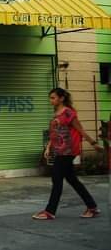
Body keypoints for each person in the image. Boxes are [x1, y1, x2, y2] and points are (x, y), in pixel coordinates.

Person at [32, 87, 103, 220]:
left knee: (57, 178)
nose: (50, 100)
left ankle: (50, 211)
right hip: (60, 150)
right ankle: (92, 207)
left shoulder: (68, 113)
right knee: (72, 179)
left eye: (53, 98)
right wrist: (48, 147)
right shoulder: (57, 113)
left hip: (68, 150)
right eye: (50, 98)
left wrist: (93, 143)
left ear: (62, 98)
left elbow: (80, 130)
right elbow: (54, 132)